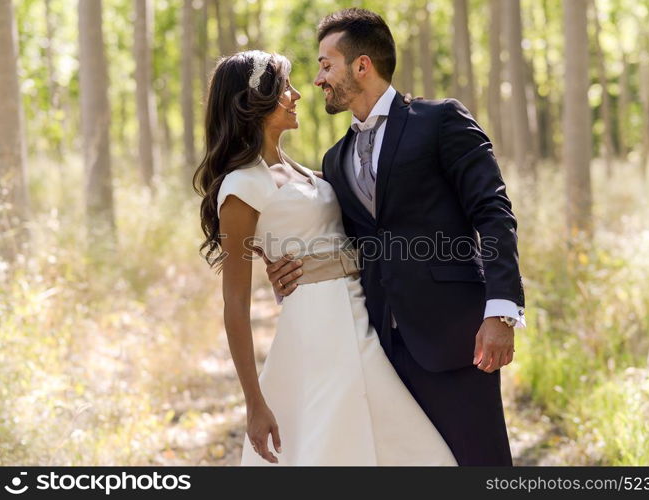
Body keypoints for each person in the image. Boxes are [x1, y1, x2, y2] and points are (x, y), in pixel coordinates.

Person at [265, 8, 526, 466]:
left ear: (362, 66)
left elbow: (492, 211)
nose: (319, 78)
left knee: (481, 464)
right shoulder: (335, 158)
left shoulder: (440, 120)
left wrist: (501, 310)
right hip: (379, 348)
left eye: (327, 64)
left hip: (457, 338)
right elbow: (345, 244)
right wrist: (291, 269)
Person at [193, 49, 457, 465]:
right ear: (255, 102)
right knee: (342, 446)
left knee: (407, 449)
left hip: (358, 309)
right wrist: (254, 402)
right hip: (318, 330)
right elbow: (236, 304)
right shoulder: (241, 188)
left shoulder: (302, 171)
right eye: (286, 88)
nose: (298, 94)